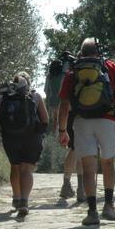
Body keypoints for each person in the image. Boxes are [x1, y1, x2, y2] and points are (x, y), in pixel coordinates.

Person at [58, 38, 115, 225]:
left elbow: (64, 104)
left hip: (82, 122)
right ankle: (109, 206)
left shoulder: (73, 72)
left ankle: (92, 212)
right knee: (108, 163)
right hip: (107, 120)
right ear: (98, 51)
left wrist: (62, 130)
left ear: (81, 52)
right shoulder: (108, 66)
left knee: (88, 167)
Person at [0, 71, 49, 218]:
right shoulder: (35, 96)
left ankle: (16, 197)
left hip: (10, 138)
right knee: (26, 170)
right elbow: (45, 119)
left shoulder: (5, 96)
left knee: (15, 167)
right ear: (28, 84)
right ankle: (24, 202)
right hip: (31, 138)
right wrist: (39, 132)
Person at [45, 52, 83, 202]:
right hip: (80, 114)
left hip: (62, 111)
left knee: (75, 149)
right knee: (77, 150)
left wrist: (56, 117)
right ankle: (77, 188)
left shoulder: (52, 75)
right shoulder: (74, 74)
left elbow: (48, 92)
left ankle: (71, 186)